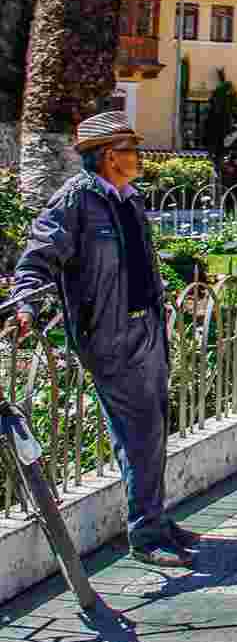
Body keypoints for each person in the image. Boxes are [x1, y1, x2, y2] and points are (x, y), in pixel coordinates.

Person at [10, 113, 198, 568]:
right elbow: (38, 259)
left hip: (146, 326)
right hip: (109, 334)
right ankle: (146, 533)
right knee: (139, 430)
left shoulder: (129, 200)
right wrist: (24, 305)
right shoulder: (73, 201)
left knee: (152, 425)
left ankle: (154, 516)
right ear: (109, 156)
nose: (139, 157)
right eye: (131, 150)